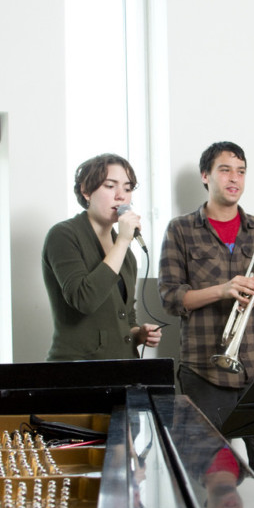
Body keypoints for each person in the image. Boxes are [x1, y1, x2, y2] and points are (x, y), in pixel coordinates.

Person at [159, 141, 254, 508]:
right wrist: (223, 289)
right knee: (206, 479)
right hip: (205, 373)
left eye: (241, 171)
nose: (234, 178)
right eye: (225, 170)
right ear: (206, 176)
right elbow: (171, 298)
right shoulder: (181, 230)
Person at [41, 153, 162, 361]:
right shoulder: (63, 235)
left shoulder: (125, 252)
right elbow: (84, 300)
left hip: (123, 369)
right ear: (86, 191)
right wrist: (123, 241)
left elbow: (126, 316)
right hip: (79, 371)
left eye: (127, 188)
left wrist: (138, 333)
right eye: (110, 186)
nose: (121, 196)